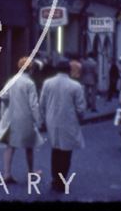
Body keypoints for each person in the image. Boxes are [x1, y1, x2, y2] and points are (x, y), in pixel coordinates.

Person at [0, 57, 44, 184]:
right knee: (29, 146)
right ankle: (31, 172)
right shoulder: (29, 83)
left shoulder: (12, 80)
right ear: (30, 69)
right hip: (25, 118)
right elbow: (34, 104)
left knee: (10, 146)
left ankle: (7, 174)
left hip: (11, 117)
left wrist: (5, 111)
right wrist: (39, 120)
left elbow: (4, 97)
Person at [39, 59, 86, 193]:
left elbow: (42, 103)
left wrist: (42, 119)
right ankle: (61, 180)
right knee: (66, 152)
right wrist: (81, 117)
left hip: (52, 120)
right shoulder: (75, 86)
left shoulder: (47, 83)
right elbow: (80, 107)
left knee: (55, 149)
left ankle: (55, 179)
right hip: (69, 121)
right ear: (69, 70)